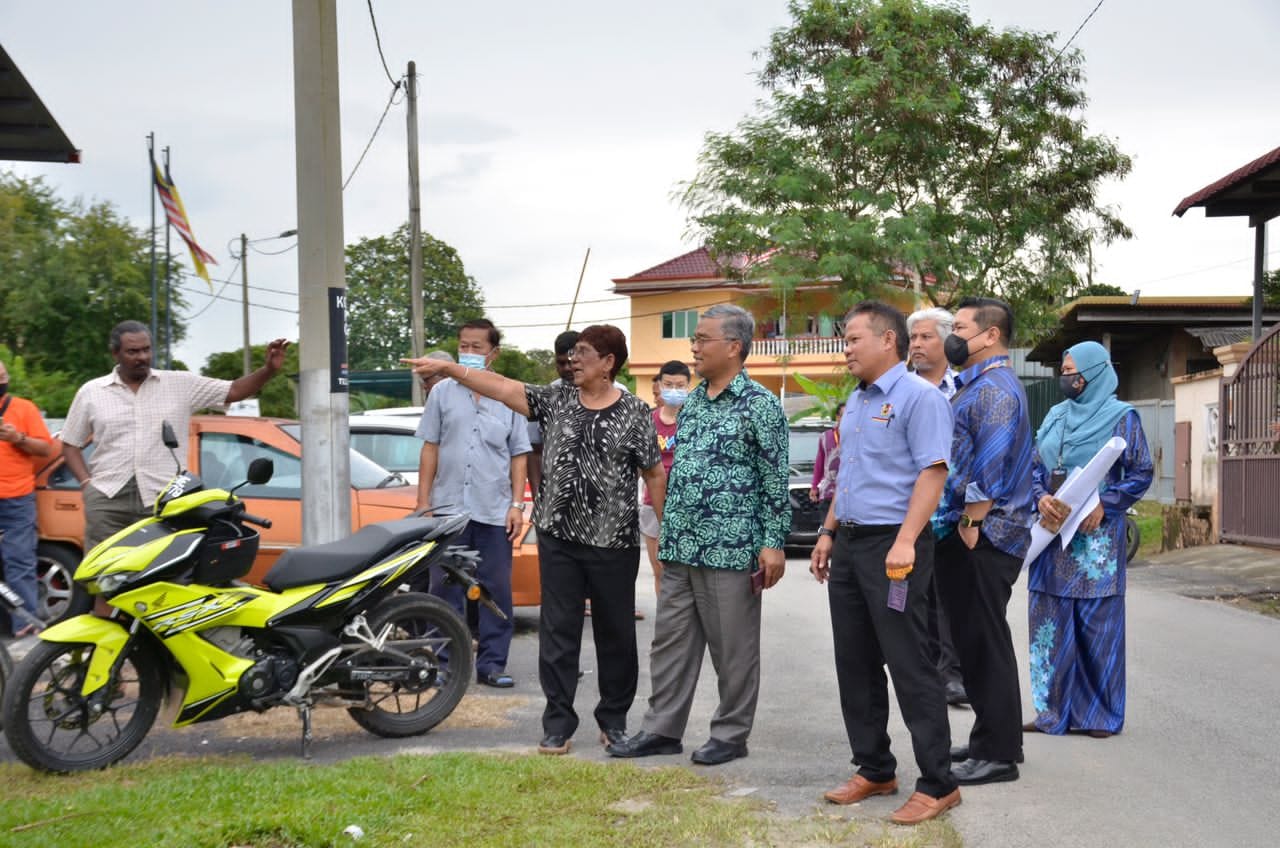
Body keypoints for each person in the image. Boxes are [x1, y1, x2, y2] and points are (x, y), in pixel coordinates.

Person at [404, 324, 665, 755]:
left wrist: (665, 529)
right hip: (558, 539)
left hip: (613, 543)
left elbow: (654, 473)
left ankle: (613, 720)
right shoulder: (556, 399)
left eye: (583, 352)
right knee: (558, 633)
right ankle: (558, 723)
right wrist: (451, 370)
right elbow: (503, 387)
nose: (573, 359)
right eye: (573, 352)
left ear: (608, 363)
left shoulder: (635, 411)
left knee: (616, 635)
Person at [607, 304, 789, 767]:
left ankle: (730, 734)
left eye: (703, 339)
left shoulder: (760, 404)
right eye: (694, 339)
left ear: (734, 346)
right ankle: (661, 730)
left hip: (731, 548)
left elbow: (774, 480)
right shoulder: (692, 404)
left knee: (733, 648)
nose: (694, 347)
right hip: (681, 545)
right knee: (670, 643)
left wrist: (773, 543)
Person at [809, 301, 960, 826]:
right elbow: (848, 474)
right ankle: (874, 767)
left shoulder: (920, 398)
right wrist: (828, 532)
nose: (846, 349)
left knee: (909, 661)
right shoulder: (856, 400)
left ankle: (939, 783)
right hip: (850, 544)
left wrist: (907, 540)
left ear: (887, 340)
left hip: (894, 547)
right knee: (854, 660)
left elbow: (933, 473)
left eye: (854, 339)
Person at [61, 321, 289, 552]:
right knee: (103, 568)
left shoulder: (180, 384)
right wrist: (87, 484)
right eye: (133, 352)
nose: (142, 357)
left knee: (162, 566)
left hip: (164, 499)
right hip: (108, 498)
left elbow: (234, 390)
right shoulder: (92, 392)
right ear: (115, 353)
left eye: (146, 350)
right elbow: (70, 443)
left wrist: (268, 370)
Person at [1026, 341, 1153, 737]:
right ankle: (1051, 712)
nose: (1065, 377)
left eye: (1072, 371)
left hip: (1094, 540)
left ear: (1094, 373)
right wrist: (1040, 496)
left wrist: (1106, 504)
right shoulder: (1055, 415)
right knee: (1048, 627)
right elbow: (1034, 466)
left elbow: (1142, 471)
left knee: (1097, 628)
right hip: (1051, 535)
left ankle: (1099, 716)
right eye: (1064, 371)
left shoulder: (1122, 418)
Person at [934, 297, 1034, 786]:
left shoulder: (995, 389)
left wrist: (971, 523)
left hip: (986, 532)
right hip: (975, 529)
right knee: (975, 642)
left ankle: (998, 754)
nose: (951, 337)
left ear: (990, 335)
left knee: (984, 642)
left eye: (959, 327)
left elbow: (990, 466)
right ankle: (991, 739)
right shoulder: (975, 385)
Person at [415, 319, 530, 688]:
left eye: (476, 347)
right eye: (463, 346)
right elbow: (430, 447)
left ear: (494, 353)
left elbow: (519, 454)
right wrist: (424, 503)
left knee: (495, 589)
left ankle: (492, 664)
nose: (468, 353)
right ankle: (444, 665)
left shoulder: (509, 394)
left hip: (494, 510)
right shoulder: (441, 393)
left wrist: (516, 505)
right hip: (449, 510)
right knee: (444, 589)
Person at [907, 306, 966, 706]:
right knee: (918, 598)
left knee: (952, 598)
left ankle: (954, 674)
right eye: (913, 337)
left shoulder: (964, 388)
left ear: (947, 342)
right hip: (912, 512)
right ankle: (926, 675)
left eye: (926, 337)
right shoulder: (899, 390)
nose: (916, 344)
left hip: (956, 512)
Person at [0, 359, 54, 635]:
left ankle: (25, 626)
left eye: (3, 376)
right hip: (15, 499)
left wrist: (17, 438)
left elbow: (45, 448)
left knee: (19, 561)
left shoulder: (24, 408)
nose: (1, 382)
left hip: (16, 498)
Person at [639, 360, 691, 599]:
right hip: (653, 504)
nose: (674, 390)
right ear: (659, 385)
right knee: (660, 569)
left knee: (686, 571)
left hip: (686, 505)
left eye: (680, 385)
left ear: (688, 386)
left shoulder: (694, 420)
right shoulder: (648, 421)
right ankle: (665, 616)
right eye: (668, 384)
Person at [526, 331, 579, 499]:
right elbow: (535, 452)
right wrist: (537, 497)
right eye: (561, 363)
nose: (567, 368)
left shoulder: (617, 394)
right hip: (556, 499)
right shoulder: (546, 397)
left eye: (571, 362)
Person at [810, 401, 846, 510]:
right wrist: (814, 486)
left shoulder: (857, 438)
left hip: (849, 495)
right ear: (838, 417)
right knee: (825, 520)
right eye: (844, 416)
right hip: (828, 493)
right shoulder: (825, 437)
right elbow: (819, 464)